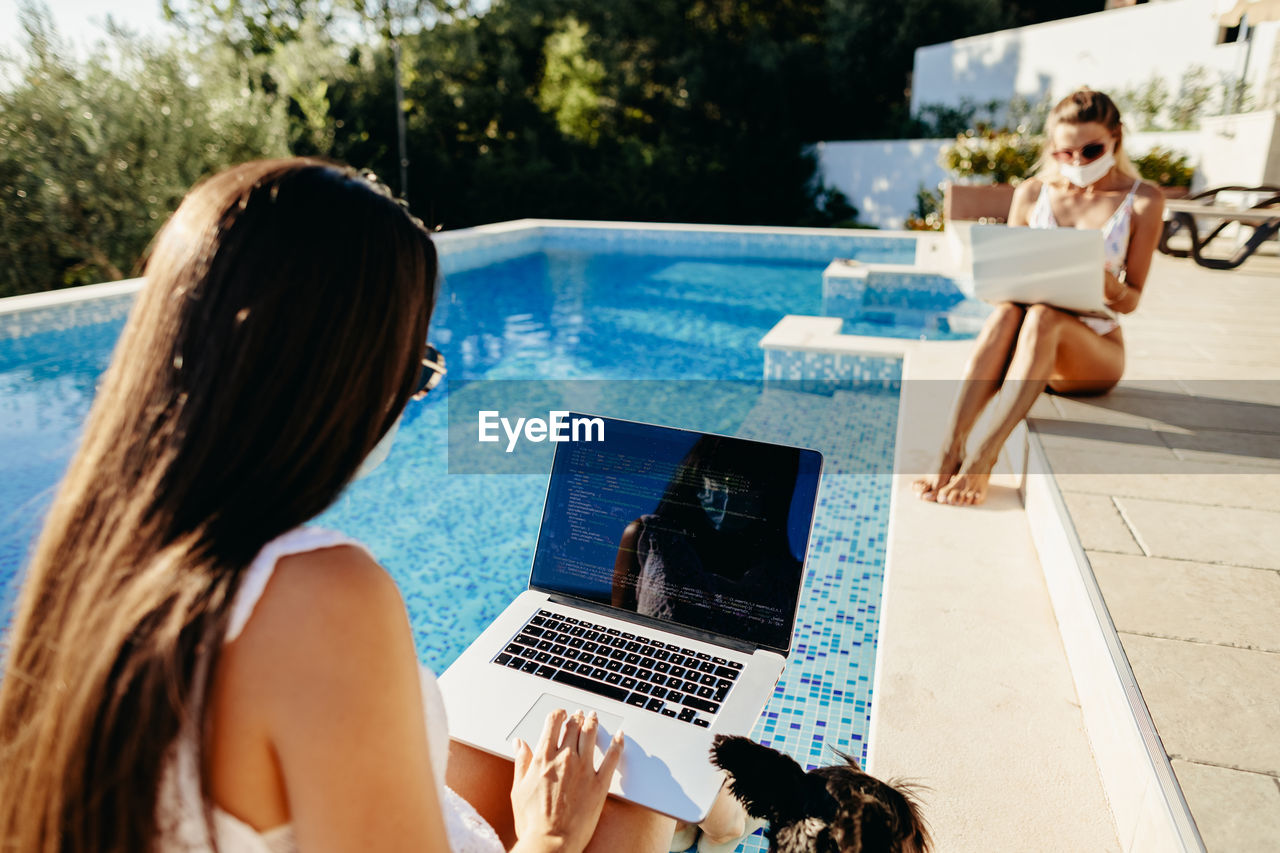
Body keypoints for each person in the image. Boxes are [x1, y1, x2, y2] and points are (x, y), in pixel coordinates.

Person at [0, 158, 669, 853]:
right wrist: (551, 837)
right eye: (418, 370)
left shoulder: (91, 559)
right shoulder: (319, 596)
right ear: (345, 379)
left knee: (558, 752)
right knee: (641, 802)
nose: (411, 396)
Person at [914, 88, 1165, 507]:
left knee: (1045, 315)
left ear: (1116, 137)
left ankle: (983, 456)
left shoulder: (1143, 200)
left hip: (1093, 351)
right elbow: (1004, 286)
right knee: (1011, 312)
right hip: (1027, 344)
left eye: (1090, 150)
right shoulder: (1033, 193)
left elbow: (1131, 300)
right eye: (1066, 153)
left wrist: (1106, 283)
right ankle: (948, 448)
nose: (1078, 162)